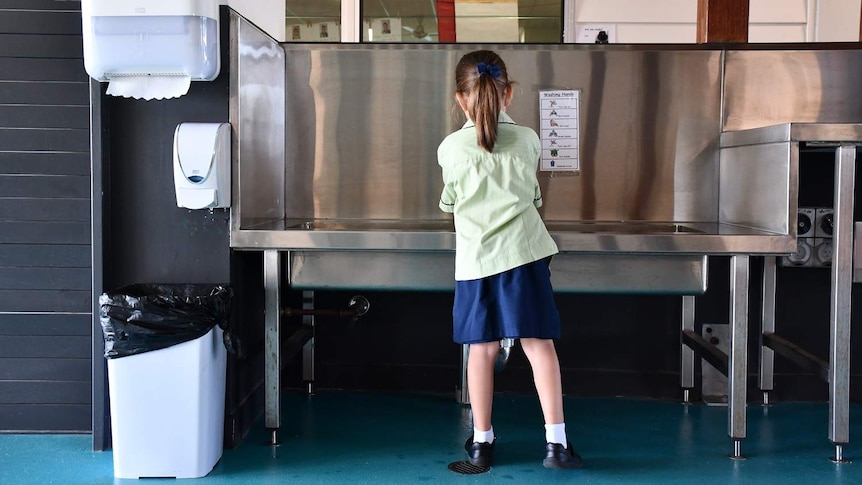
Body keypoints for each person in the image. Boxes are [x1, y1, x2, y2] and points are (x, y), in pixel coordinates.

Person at [437, 50, 582, 470]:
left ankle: (482, 443)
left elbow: (450, 202)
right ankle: (556, 445)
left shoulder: (450, 148)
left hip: (476, 262)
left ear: (460, 99)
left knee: (479, 352)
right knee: (539, 346)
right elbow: (533, 196)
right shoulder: (531, 139)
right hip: (524, 257)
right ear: (509, 94)